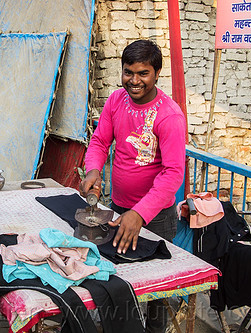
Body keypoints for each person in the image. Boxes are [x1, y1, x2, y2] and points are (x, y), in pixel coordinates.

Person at [79, 40, 186, 333]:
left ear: (157, 73)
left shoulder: (170, 116)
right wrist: (93, 170)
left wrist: (140, 214)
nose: (134, 81)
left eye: (143, 73)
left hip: (156, 218)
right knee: (118, 279)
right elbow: (100, 141)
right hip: (117, 209)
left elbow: (173, 173)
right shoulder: (116, 101)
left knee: (155, 290)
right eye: (128, 72)